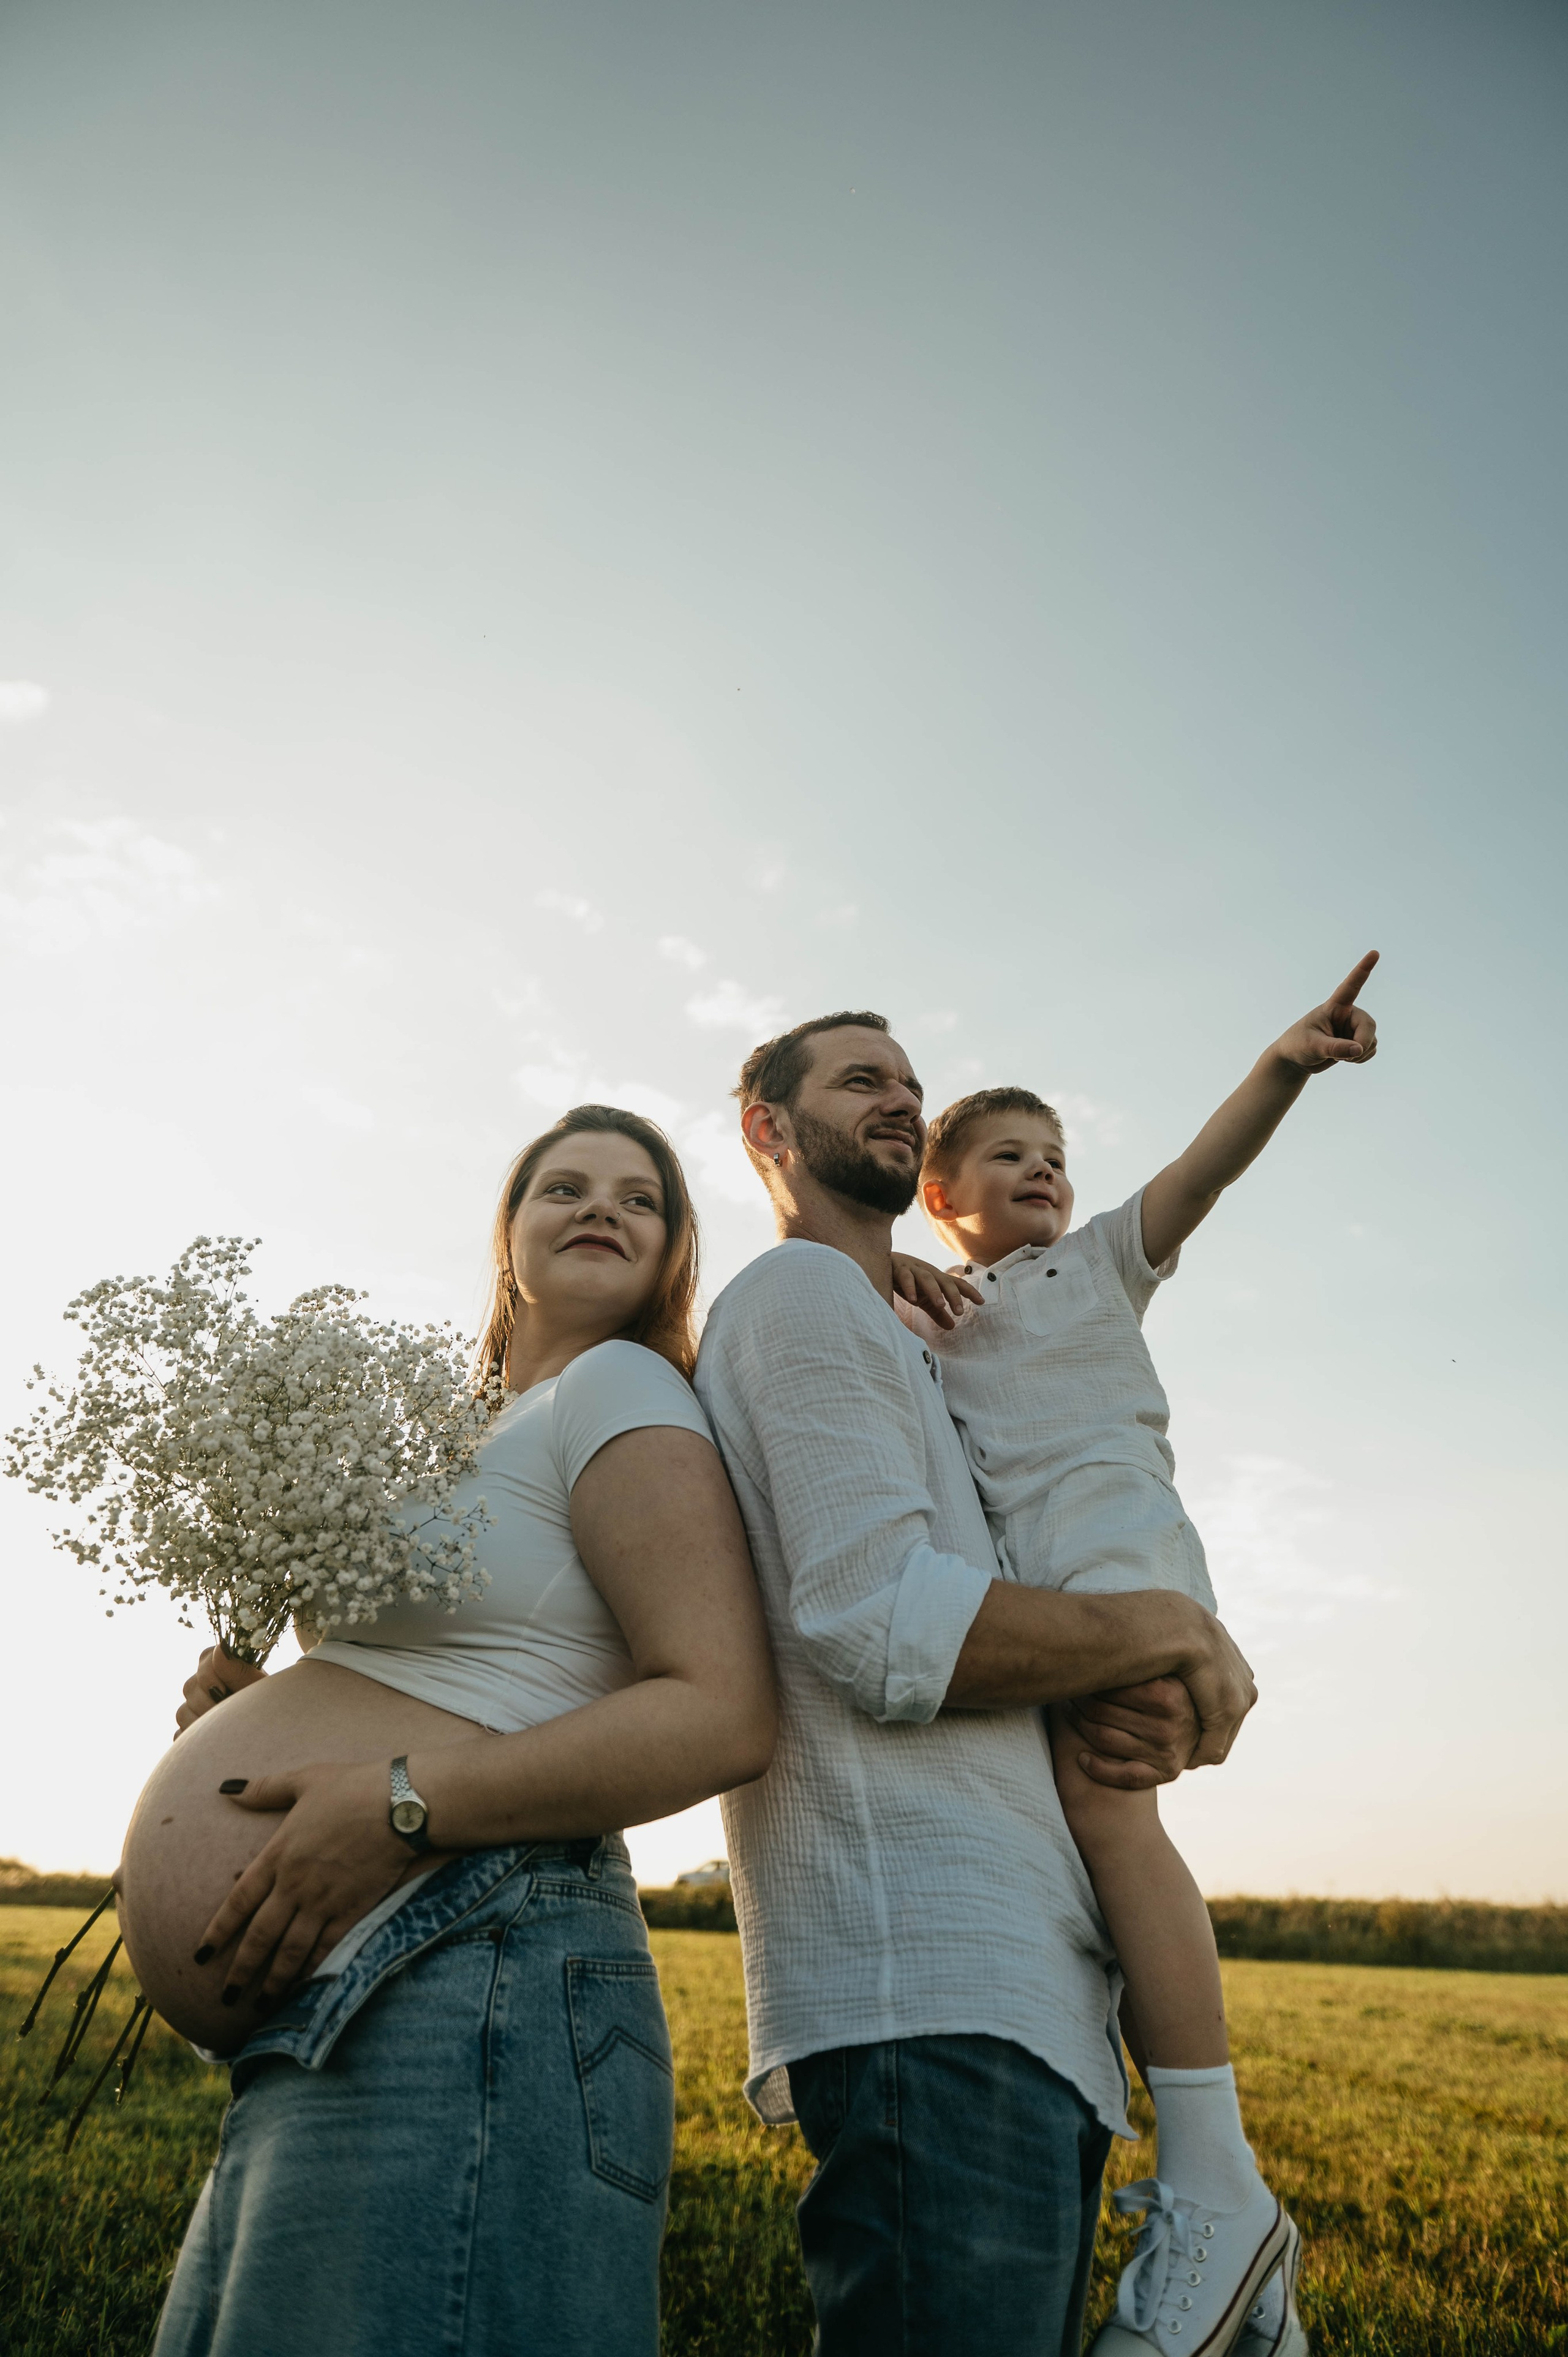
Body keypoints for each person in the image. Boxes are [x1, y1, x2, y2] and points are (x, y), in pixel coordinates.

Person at [124, 1106, 777, 2357]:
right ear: (508, 1234)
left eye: (640, 1199)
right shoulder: (448, 1441)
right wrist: (245, 1717)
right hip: (351, 2002)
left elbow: (720, 1711)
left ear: (673, 1252)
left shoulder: (618, 1385)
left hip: (476, 1961)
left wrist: (400, 1800)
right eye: (565, 1186)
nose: (602, 1207)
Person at [692, 1011, 1258, 2357]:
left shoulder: (906, 1323)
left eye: (906, 1080)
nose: (896, 1097)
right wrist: (1164, 1628)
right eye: (857, 1081)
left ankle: (1226, 2200)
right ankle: (1225, 2196)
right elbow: (883, 1621)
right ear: (767, 1129)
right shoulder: (800, 1296)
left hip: (1019, 1998)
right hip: (928, 1991)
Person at [899, 955, 1380, 2357]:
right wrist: (886, 1267)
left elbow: (1199, 1175)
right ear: (945, 1193)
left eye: (1053, 1153)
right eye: (1007, 1154)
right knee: (1071, 1839)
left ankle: (1215, 2183)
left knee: (1113, 1824)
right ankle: (1225, 2244)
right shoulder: (935, 1311)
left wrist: (1282, 1066)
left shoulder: (1096, 1264)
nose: (1043, 1170)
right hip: (1045, 1610)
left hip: (1121, 1576)